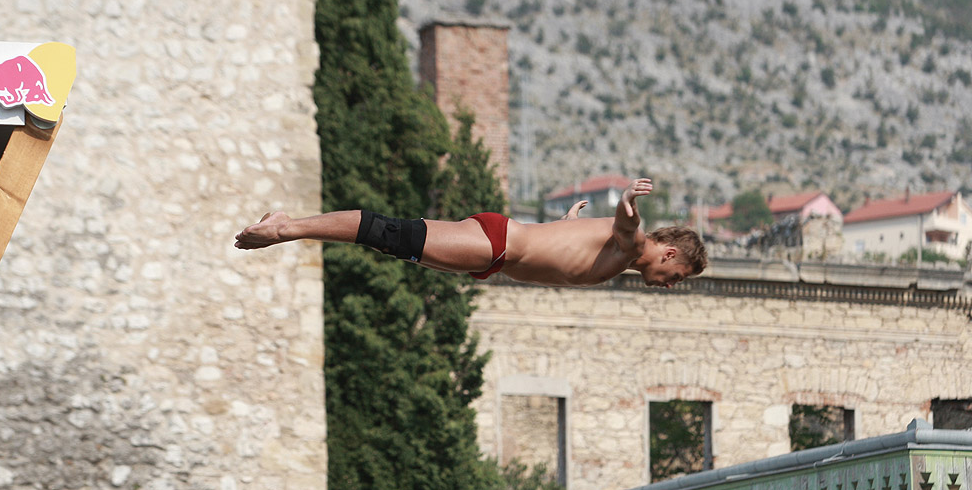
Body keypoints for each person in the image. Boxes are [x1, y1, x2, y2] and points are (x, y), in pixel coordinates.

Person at [234, 178, 707, 288]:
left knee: (394, 242)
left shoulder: (622, 256)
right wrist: (627, 200)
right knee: (390, 234)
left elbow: (570, 251)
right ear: (668, 254)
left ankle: (290, 228)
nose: (674, 284)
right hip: (497, 244)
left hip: (496, 252)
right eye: (680, 275)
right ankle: (286, 227)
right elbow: (627, 223)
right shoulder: (635, 243)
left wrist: (566, 228)